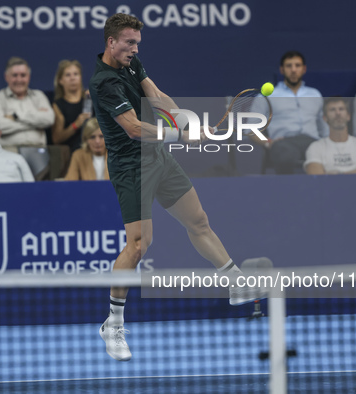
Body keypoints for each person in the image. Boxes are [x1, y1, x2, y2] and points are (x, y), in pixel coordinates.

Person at [90, 13, 253, 362]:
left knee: (199, 221)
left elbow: (156, 94)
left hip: (159, 159)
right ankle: (113, 324)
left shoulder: (131, 62)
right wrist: (179, 133)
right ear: (111, 43)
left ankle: (236, 281)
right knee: (138, 244)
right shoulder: (104, 82)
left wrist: (186, 119)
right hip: (131, 167)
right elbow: (133, 127)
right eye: (129, 43)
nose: (135, 48)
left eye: (137, 43)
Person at [251, 51, 327, 174]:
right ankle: (288, 191)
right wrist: (268, 143)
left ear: (304, 69)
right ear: (282, 70)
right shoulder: (267, 96)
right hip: (284, 143)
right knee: (285, 154)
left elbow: (324, 127)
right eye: (289, 66)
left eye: (297, 65)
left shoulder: (315, 94)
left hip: (312, 142)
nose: (293, 70)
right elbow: (251, 129)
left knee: (327, 152)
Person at [0, 57, 55, 152]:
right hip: (8, 150)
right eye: (14, 75)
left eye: (23, 75)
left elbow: (49, 119)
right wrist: (35, 122)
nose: (19, 80)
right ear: (6, 77)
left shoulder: (39, 96)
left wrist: (16, 117)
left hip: (38, 149)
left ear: (29, 77)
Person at [305, 98, 356, 175]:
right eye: (332, 110)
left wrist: (338, 175)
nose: (338, 113)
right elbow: (316, 178)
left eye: (341, 109)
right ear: (325, 118)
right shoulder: (315, 147)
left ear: (348, 116)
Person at [51, 60, 92, 153]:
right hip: (72, 152)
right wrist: (75, 125)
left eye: (76, 74)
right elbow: (56, 139)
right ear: (60, 80)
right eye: (68, 75)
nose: (72, 78)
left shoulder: (91, 98)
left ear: (80, 77)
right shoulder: (58, 105)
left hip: (97, 150)